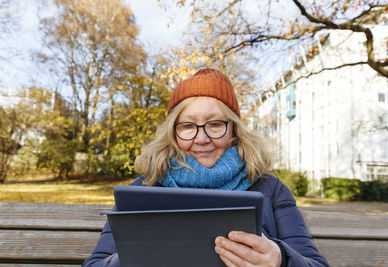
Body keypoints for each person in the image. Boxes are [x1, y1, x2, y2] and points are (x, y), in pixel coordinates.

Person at [83, 68, 329, 267]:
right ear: (173, 133)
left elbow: (315, 264)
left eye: (214, 124)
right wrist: (134, 254)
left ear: (234, 130)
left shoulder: (271, 188)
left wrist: (280, 259)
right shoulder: (144, 188)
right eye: (188, 126)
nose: (201, 139)